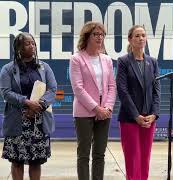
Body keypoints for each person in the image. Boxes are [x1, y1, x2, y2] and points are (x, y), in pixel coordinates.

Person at [0, 32, 57, 180]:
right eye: (27, 43)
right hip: (17, 121)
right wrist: (26, 102)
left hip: (38, 122)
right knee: (17, 162)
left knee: (36, 162)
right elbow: (6, 92)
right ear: (19, 48)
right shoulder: (8, 69)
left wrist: (40, 105)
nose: (32, 46)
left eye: (33, 43)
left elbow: (52, 89)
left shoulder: (44, 67)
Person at [69, 21, 116, 180]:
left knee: (99, 154)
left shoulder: (107, 60)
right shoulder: (77, 59)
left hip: (105, 113)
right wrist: (97, 109)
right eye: (96, 34)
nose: (99, 37)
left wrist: (108, 108)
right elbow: (78, 88)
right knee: (83, 154)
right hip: (84, 112)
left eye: (102, 35)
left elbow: (111, 86)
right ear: (87, 36)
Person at [116, 25, 160, 180]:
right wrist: (136, 115)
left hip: (149, 119)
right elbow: (122, 91)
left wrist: (154, 114)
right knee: (133, 159)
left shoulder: (152, 62)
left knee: (145, 159)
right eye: (137, 36)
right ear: (130, 39)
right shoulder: (123, 61)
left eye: (143, 35)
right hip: (130, 119)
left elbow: (156, 91)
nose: (141, 38)